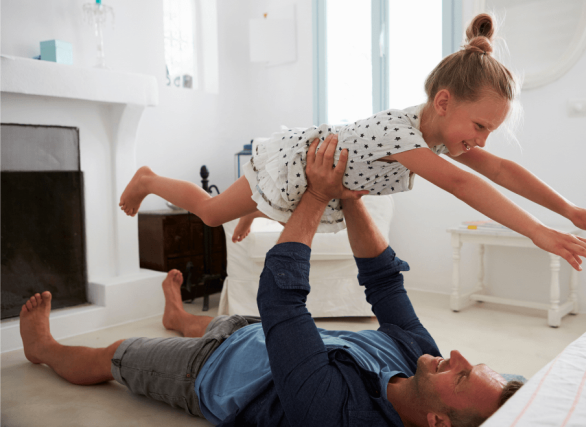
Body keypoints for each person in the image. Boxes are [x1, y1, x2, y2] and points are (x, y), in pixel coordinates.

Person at [21, 135, 523, 427]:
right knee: (217, 323)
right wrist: (349, 199)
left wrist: (315, 196)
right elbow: (385, 284)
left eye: (460, 376)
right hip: (253, 333)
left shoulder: (339, 414)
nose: (453, 357)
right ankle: (179, 316)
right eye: (469, 362)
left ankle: (43, 347)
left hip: (210, 370)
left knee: (112, 354)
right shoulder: (421, 357)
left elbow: (281, 299)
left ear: (437, 424)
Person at [119, 13, 586, 273]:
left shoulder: (439, 137)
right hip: (293, 165)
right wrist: (537, 233)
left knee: (259, 208)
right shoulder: (403, 135)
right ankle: (150, 179)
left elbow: (501, 171)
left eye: (489, 133)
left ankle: (259, 210)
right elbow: (463, 184)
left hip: (312, 181)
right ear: (443, 103)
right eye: (478, 127)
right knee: (212, 213)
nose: (480, 141)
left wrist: (568, 210)